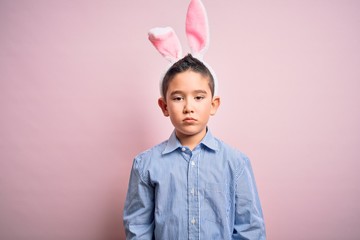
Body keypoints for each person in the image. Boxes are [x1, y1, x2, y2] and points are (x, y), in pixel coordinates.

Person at [123, 0, 265, 239]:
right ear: (164, 106)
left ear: (213, 104)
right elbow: (138, 230)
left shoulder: (236, 163)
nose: (189, 107)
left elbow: (250, 230)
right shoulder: (145, 165)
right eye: (178, 98)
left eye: (199, 97)